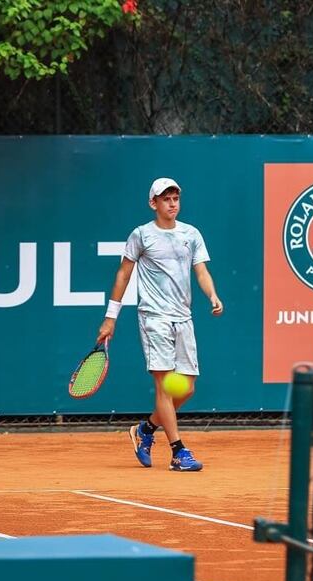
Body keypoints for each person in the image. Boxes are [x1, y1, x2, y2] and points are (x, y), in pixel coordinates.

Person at [97, 177, 223, 471]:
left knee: (187, 388)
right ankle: (178, 451)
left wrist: (212, 294)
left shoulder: (191, 234)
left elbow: (201, 271)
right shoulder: (141, 235)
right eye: (165, 199)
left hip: (184, 318)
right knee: (165, 385)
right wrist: (110, 317)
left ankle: (146, 429)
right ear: (153, 203)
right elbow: (123, 276)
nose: (172, 204)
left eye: (175, 198)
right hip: (153, 317)